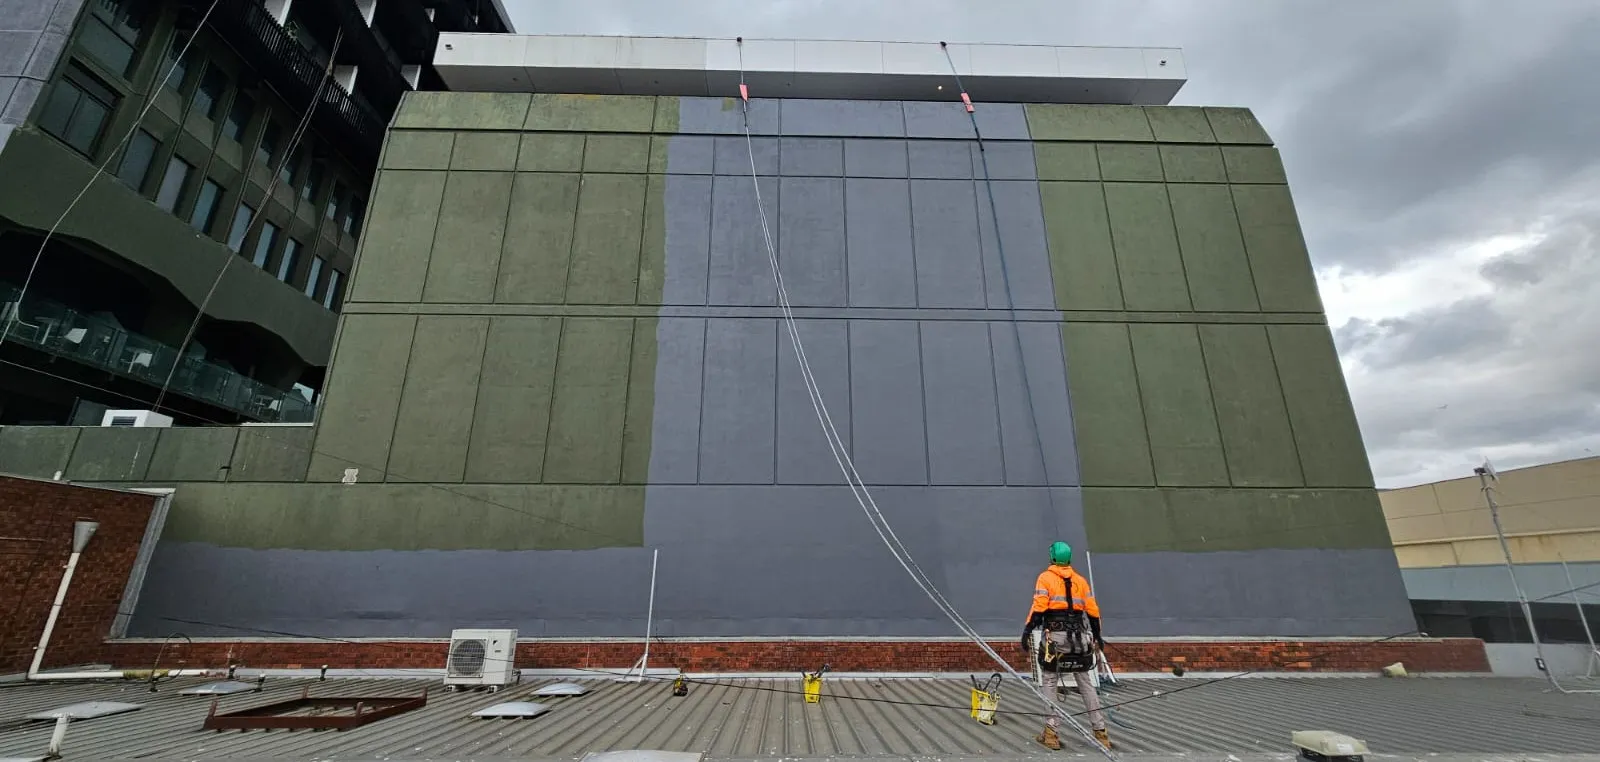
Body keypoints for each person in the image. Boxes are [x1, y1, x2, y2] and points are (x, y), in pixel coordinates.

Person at [1020, 540, 1112, 751]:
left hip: (1056, 639)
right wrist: (1097, 637)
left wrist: (1026, 632)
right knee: (1085, 682)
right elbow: (1093, 612)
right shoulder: (1081, 581)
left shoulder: (1045, 578)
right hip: (1080, 638)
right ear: (1069, 558)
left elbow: (1039, 609)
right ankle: (1101, 732)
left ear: (1052, 557)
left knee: (1050, 681)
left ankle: (1051, 733)